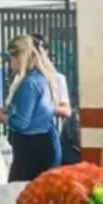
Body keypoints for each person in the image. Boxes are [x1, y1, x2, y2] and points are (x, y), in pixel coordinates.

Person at [0, 34, 61, 181]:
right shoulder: (44, 78)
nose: (10, 64)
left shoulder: (29, 83)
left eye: (12, 58)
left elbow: (21, 122)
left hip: (30, 149)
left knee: (21, 194)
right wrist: (6, 109)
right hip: (45, 143)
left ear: (22, 57)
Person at [31, 33, 81, 165]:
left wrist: (43, 107)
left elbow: (66, 110)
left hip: (48, 138)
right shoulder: (21, 79)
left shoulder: (57, 79)